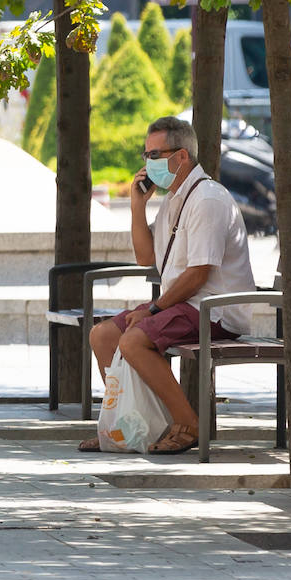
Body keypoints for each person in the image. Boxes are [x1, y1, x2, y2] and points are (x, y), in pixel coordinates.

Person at [78, 116, 257, 454]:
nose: (148, 164)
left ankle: (188, 424)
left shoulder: (207, 199)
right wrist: (136, 206)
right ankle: (129, 427)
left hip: (214, 311)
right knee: (103, 335)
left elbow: (199, 274)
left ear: (182, 157)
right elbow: (147, 257)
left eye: (155, 155)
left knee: (133, 341)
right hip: (183, 305)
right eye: (146, 156)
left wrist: (154, 309)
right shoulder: (175, 199)